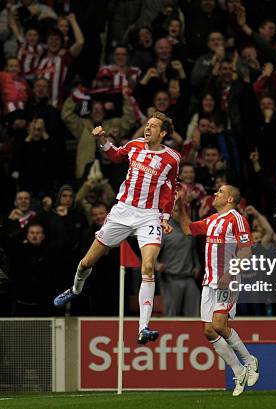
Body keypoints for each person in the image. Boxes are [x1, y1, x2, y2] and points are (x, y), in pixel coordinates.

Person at [53, 112, 181, 345]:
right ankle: (74, 289)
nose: (148, 128)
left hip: (149, 217)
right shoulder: (134, 145)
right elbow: (116, 155)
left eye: (153, 126)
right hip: (122, 212)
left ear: (162, 133)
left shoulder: (172, 158)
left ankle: (143, 327)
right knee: (86, 263)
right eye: (147, 124)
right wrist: (102, 139)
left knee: (149, 266)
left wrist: (164, 217)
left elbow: (171, 189)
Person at [177, 184, 259, 396]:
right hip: (209, 281)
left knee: (219, 324)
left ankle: (250, 360)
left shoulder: (237, 219)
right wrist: (180, 203)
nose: (215, 194)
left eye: (220, 192)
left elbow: (247, 251)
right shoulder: (212, 220)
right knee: (208, 331)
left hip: (227, 280)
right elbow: (187, 228)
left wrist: (230, 273)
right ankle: (238, 370)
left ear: (231, 199)